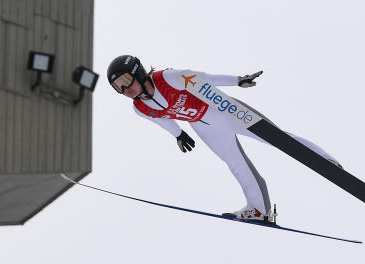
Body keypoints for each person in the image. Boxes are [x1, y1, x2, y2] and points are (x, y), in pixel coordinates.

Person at [106, 55, 340, 221]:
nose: (124, 89)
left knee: (277, 138)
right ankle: (259, 209)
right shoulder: (140, 108)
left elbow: (204, 78)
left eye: (125, 81)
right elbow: (161, 118)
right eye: (117, 87)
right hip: (205, 127)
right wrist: (178, 134)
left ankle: (323, 159)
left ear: (137, 71)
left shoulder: (168, 77)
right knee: (236, 164)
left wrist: (238, 80)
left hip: (222, 110)